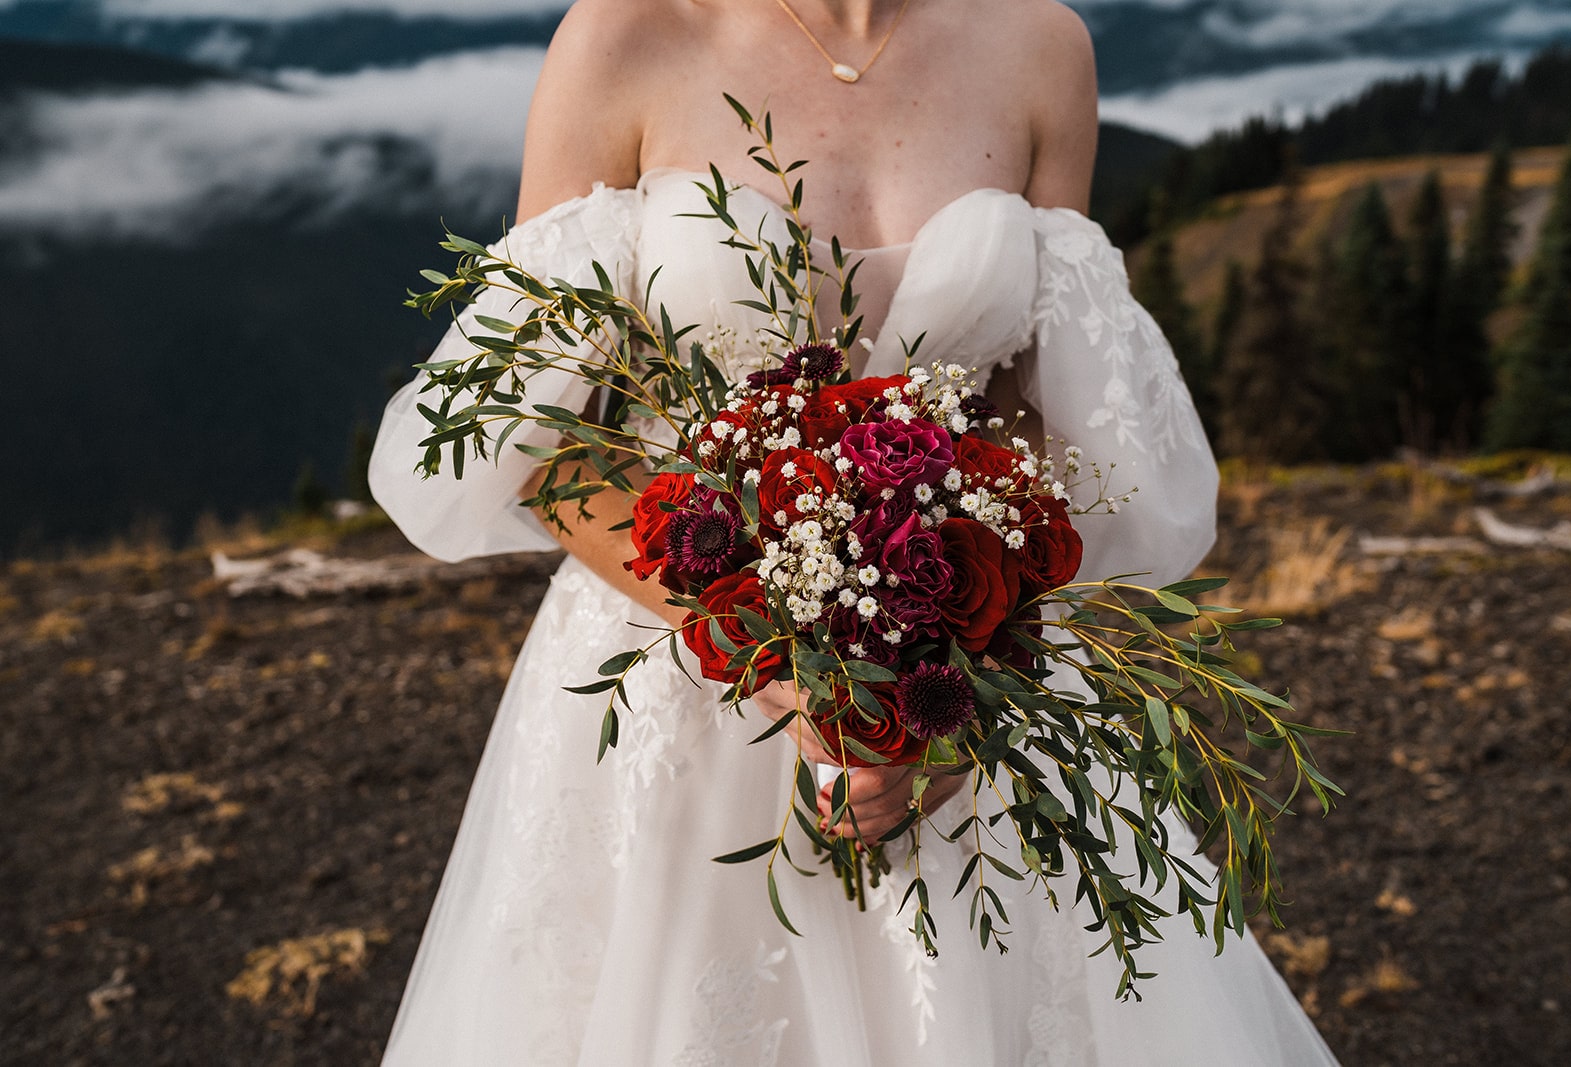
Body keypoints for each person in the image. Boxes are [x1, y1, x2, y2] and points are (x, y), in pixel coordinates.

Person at [368, 0, 1342, 1062]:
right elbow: (549, 440)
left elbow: (1023, 406)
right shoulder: (622, 37)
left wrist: (956, 693)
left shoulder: (1041, 45)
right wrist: (757, 633)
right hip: (675, 675)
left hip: (962, 670)